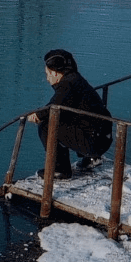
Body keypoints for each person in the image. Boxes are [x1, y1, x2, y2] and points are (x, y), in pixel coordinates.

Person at [28, 48, 112, 179]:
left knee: (46, 125)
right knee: (71, 116)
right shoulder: (76, 80)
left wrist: (37, 115)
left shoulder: (67, 85)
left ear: (56, 73)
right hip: (103, 138)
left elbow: (53, 107)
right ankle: (91, 158)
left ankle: (60, 169)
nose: (47, 78)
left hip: (94, 141)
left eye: (48, 74)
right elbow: (61, 104)